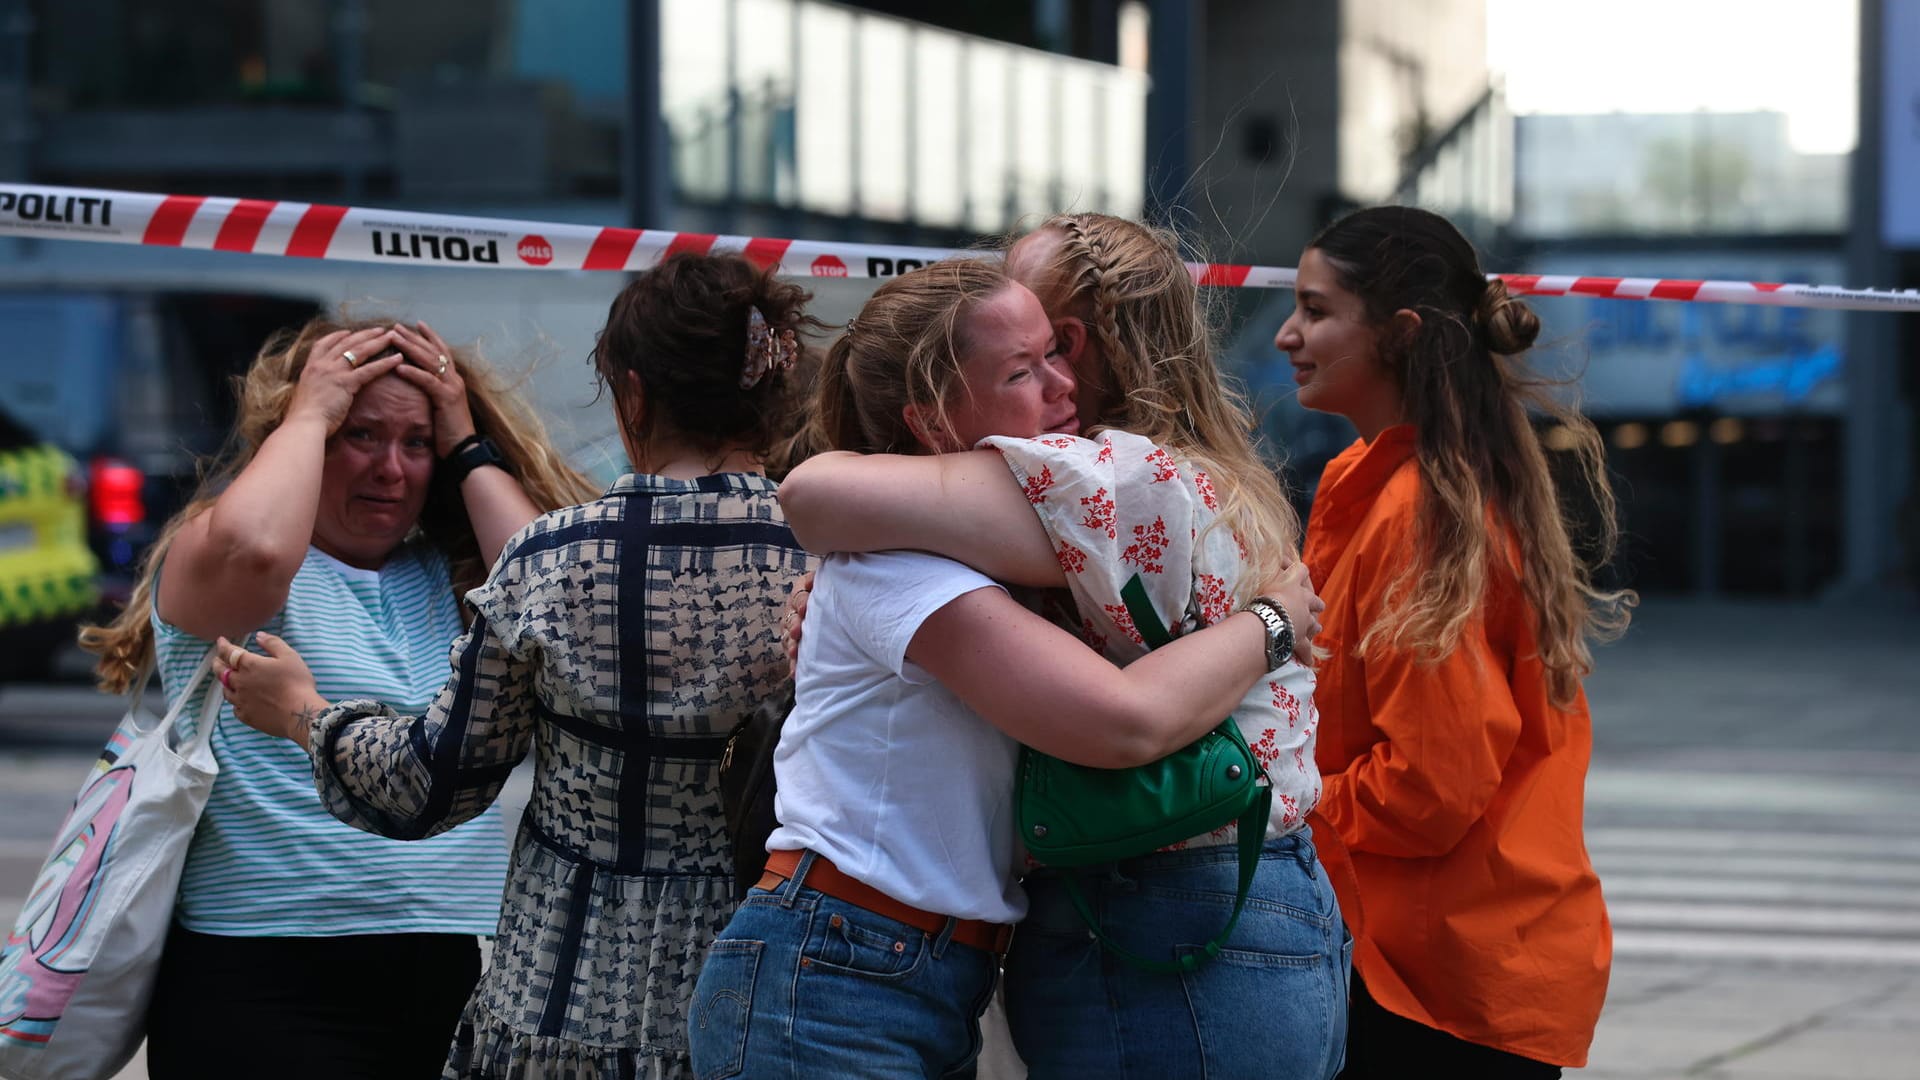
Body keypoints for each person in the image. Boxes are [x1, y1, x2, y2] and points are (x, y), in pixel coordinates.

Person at [687, 257, 1321, 1079]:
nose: (1065, 387)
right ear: (930, 422)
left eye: (1059, 353)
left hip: (902, 965)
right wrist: (1272, 621)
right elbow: (1122, 720)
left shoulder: (979, 553)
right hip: (838, 964)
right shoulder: (902, 565)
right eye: (1024, 370)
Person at [214, 253, 820, 1080]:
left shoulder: (555, 558)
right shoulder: (835, 559)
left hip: (561, 997)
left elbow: (427, 785)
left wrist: (303, 713)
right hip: (768, 994)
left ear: (634, 396)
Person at [77, 316, 594, 1079]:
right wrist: (311, 407)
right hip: (259, 983)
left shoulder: (448, 575)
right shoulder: (223, 550)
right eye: (360, 435)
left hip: (445, 976)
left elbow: (568, 615)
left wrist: (465, 442)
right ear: (303, 438)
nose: (391, 468)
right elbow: (253, 548)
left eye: (415, 443)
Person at [1275, 205, 1636, 1077]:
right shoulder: (1406, 478)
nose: (1288, 333)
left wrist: (1279, 800)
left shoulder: (1420, 509)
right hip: (1449, 954)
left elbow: (1429, 786)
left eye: (1317, 311)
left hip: (1435, 978)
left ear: (1399, 335)